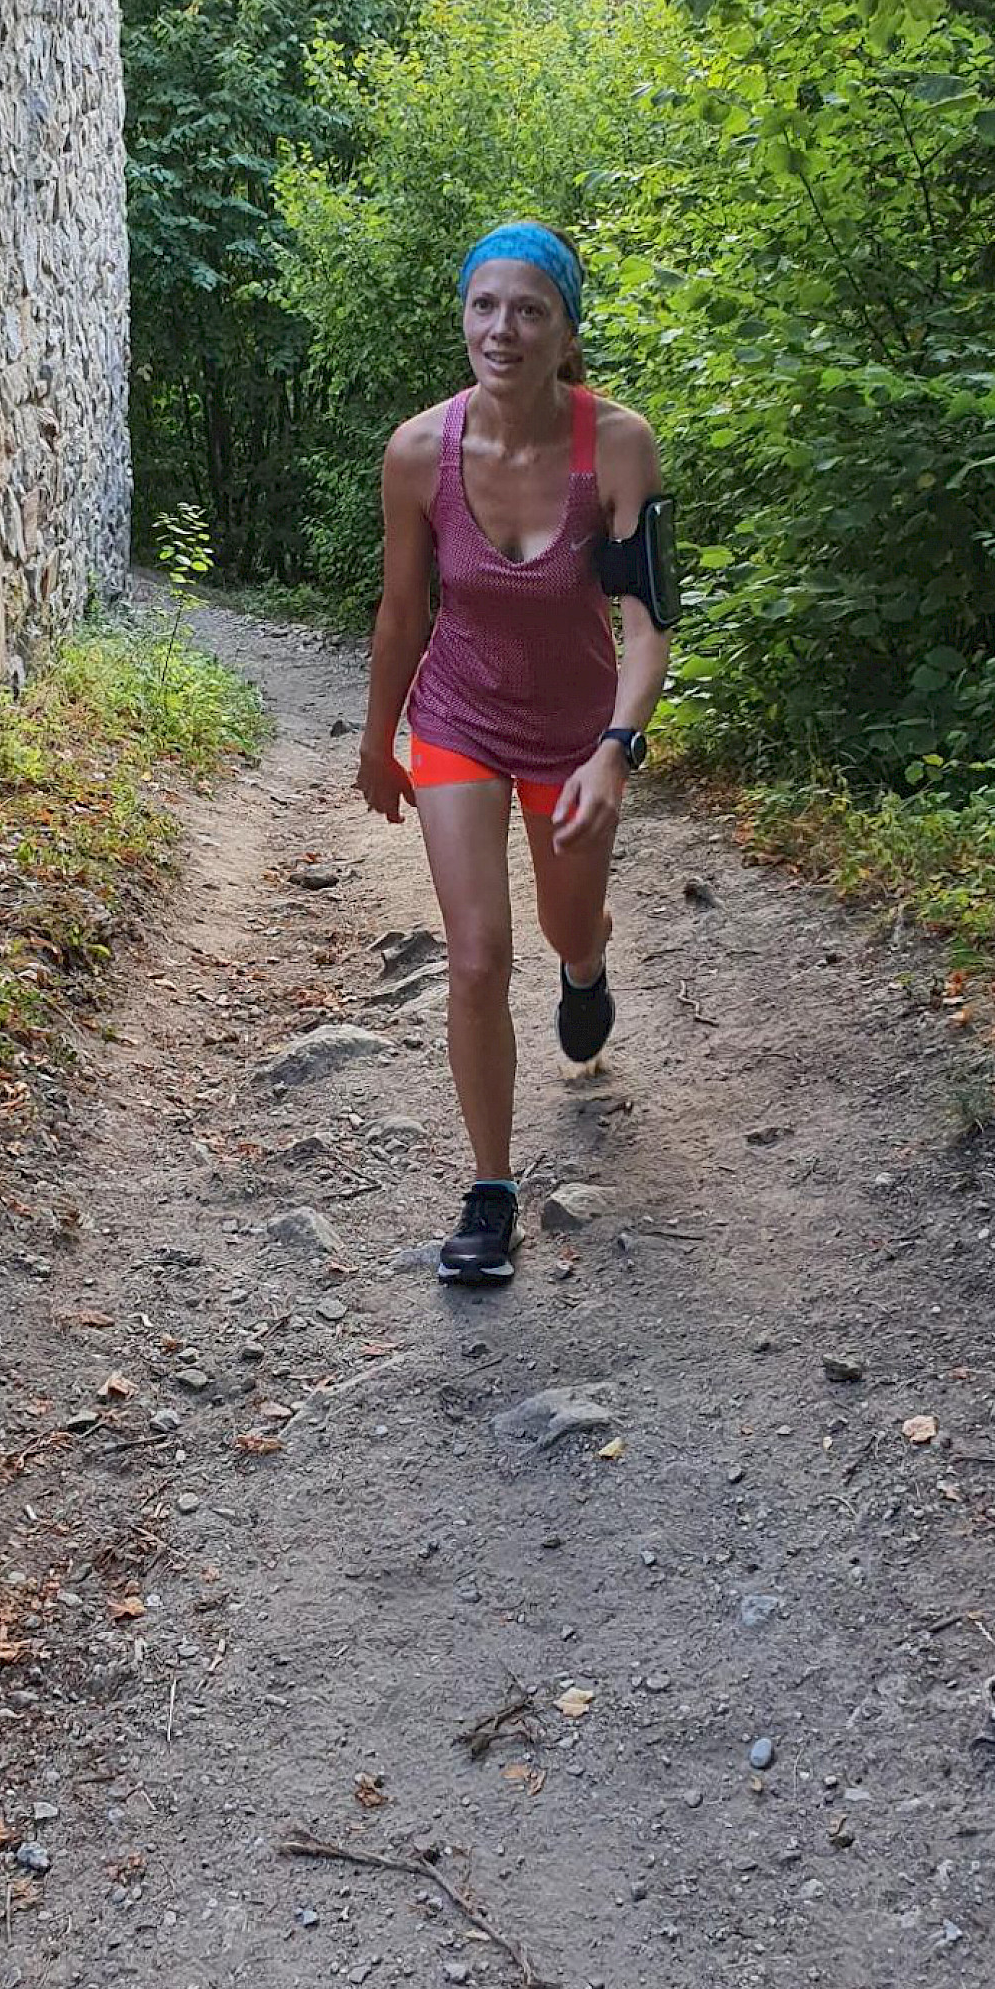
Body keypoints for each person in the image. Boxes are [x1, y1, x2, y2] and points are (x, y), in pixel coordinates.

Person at [356, 220, 674, 1284]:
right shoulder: (417, 452)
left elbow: (646, 624)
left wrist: (616, 750)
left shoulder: (616, 446)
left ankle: (585, 962)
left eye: (529, 309)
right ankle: (490, 1193)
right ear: (463, 315)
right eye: (484, 305)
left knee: (562, 923)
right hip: (458, 716)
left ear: (564, 331)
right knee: (477, 955)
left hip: (577, 733)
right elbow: (403, 613)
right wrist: (378, 741)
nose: (503, 328)